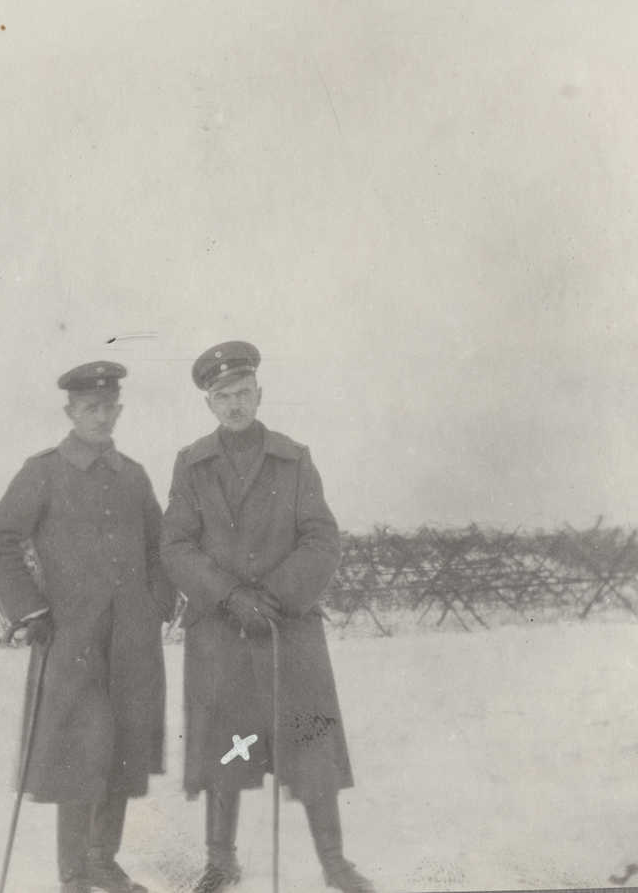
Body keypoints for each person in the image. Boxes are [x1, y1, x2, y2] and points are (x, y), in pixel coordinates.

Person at [160, 341, 375, 893]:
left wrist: (275, 595)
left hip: (289, 628)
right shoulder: (191, 464)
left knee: (310, 741)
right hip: (220, 630)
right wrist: (230, 595)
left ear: (260, 394)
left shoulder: (293, 458)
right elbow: (176, 546)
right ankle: (220, 860)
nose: (234, 404)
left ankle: (334, 861)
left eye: (242, 393)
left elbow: (321, 539)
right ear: (209, 404)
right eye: (222, 396)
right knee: (226, 745)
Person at [0, 361, 176, 893]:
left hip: (132, 640)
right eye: (91, 407)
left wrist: (160, 600)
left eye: (110, 407)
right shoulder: (43, 471)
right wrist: (31, 610)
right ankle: (73, 875)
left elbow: (159, 546)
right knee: (78, 755)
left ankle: (102, 860)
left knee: (123, 749)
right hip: (73, 639)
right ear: (71, 411)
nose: (101, 417)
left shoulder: (133, 475)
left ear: (120, 410)